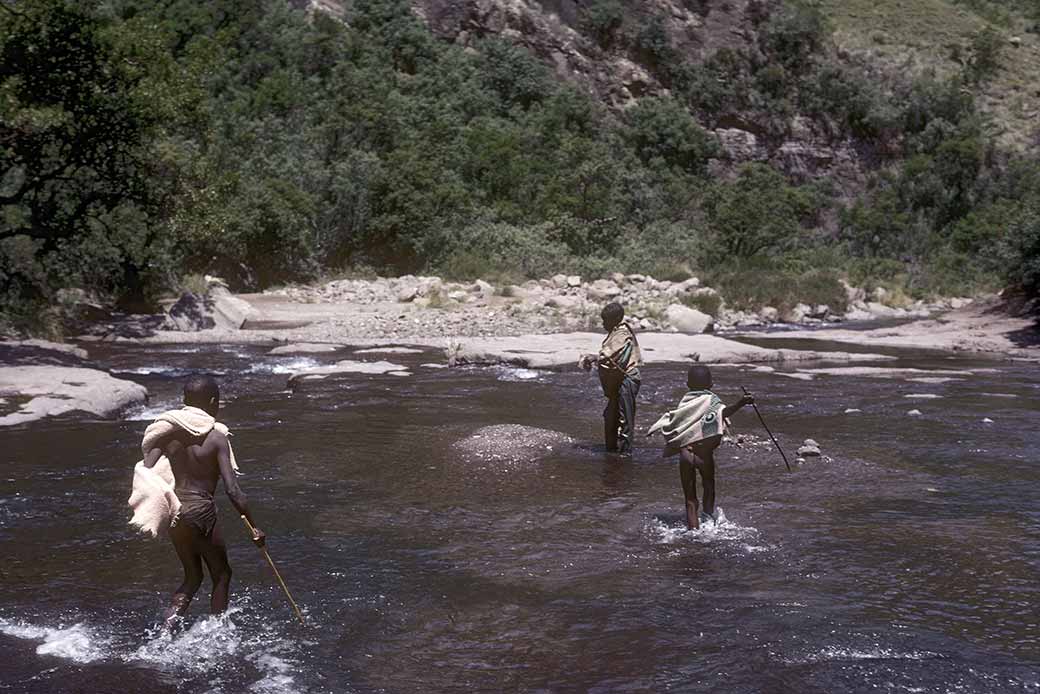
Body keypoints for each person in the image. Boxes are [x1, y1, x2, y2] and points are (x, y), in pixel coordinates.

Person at [141, 376, 265, 629]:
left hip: (174, 510)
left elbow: (147, 468)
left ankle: (165, 633)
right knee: (222, 574)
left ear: (185, 402)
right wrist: (254, 527)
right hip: (200, 509)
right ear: (212, 402)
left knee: (193, 576)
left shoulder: (168, 433)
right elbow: (233, 490)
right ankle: (217, 633)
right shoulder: (217, 438)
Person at [647, 364, 753, 529]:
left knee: (690, 499)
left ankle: (693, 532)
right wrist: (741, 402)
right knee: (709, 486)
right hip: (704, 455)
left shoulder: (686, 403)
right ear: (711, 384)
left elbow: (678, 422)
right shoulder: (712, 400)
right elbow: (722, 413)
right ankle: (709, 523)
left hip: (686, 454)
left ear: (688, 384)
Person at [579, 302, 642, 456]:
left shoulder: (622, 334)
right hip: (618, 380)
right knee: (611, 416)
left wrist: (593, 357)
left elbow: (611, 355)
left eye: (605, 321)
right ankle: (611, 451)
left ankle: (625, 454)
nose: (603, 324)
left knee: (625, 418)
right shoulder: (616, 332)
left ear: (615, 319)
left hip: (627, 379)